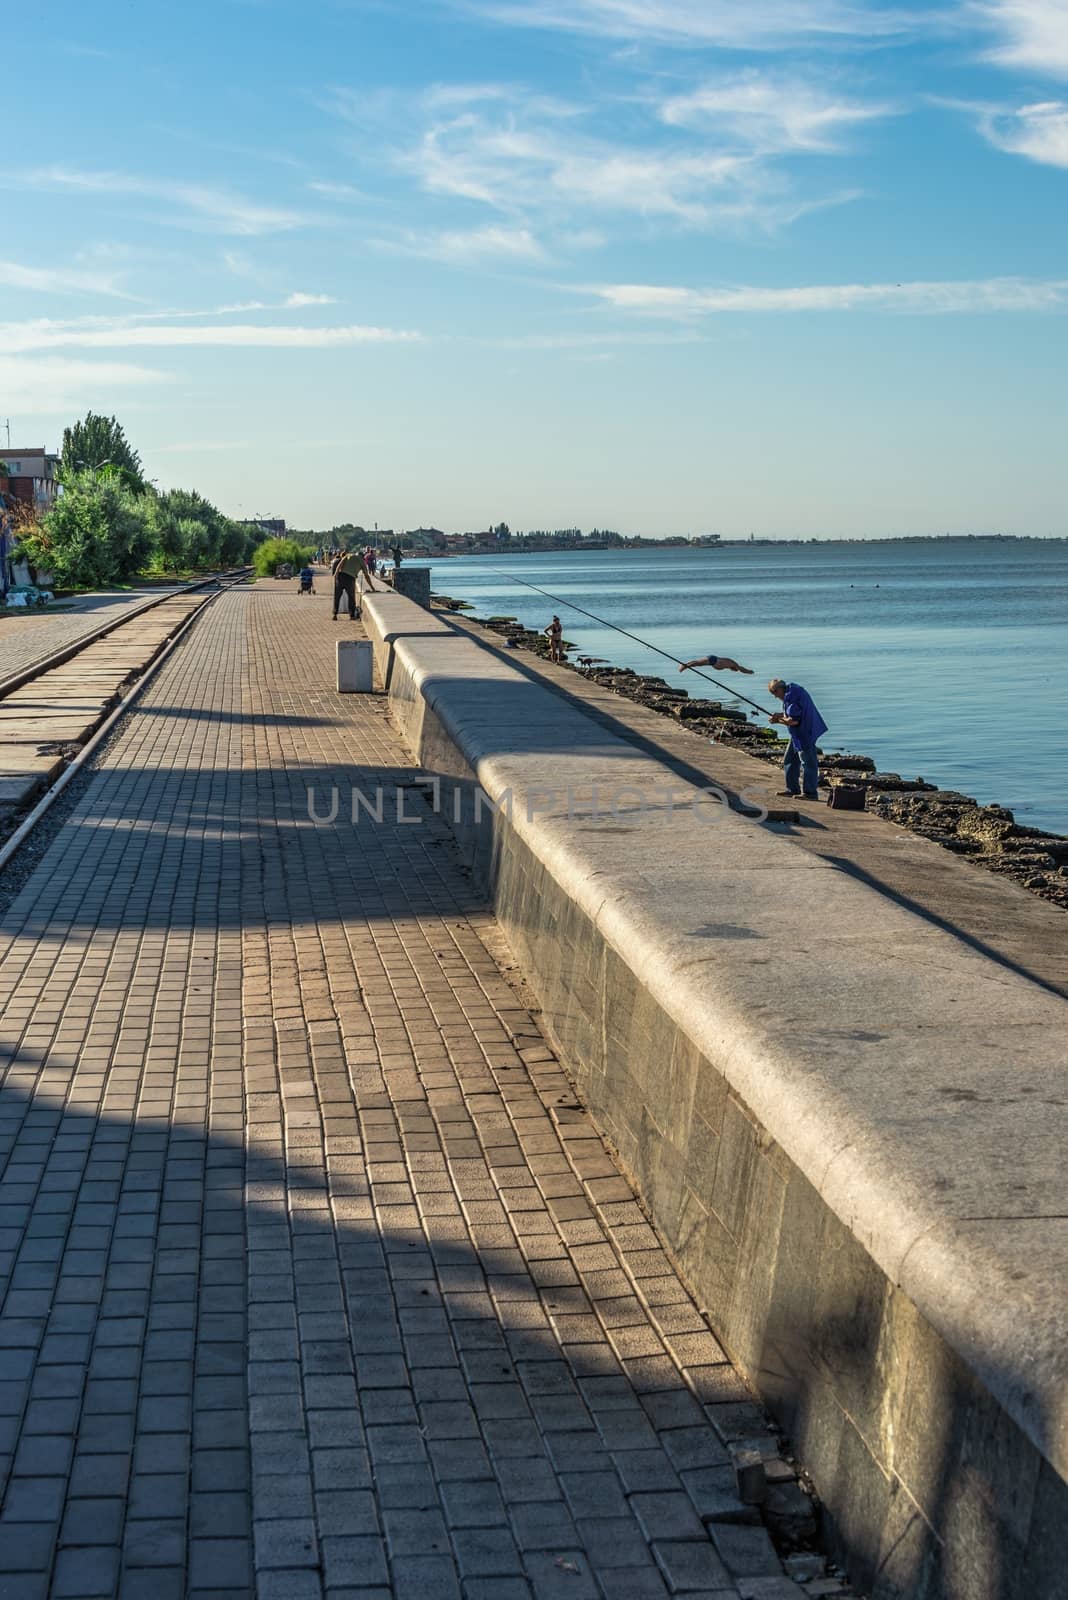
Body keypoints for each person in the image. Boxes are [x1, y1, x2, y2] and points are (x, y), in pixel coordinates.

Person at [768, 678, 828, 800]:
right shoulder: (792, 692)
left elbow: (793, 721)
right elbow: (791, 714)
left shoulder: (792, 696)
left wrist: (777, 721)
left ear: (779, 689)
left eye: (774, 693)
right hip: (798, 733)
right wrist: (780, 715)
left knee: (808, 762)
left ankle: (810, 793)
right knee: (789, 759)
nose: (775, 696)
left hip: (805, 732)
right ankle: (792, 789)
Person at [331, 547, 377, 621]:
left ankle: (335, 614)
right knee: (351, 597)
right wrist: (372, 587)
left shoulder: (349, 555)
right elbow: (366, 576)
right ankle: (351, 615)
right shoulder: (362, 562)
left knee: (337, 596)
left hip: (341, 576)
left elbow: (340, 563)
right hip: (350, 578)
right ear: (363, 557)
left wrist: (336, 573)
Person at [679, 651, 753, 675]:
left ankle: (685, 665)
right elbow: (742, 669)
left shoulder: (729, 664)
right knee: (697, 663)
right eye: (735, 670)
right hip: (714, 660)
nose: (734, 671)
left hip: (713, 659)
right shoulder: (734, 664)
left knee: (697, 663)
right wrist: (749, 672)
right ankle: (685, 666)